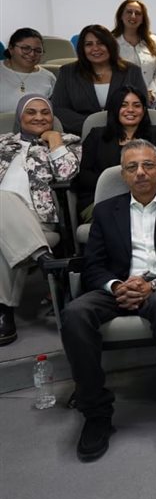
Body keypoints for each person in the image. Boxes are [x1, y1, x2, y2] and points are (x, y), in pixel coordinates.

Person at [60, 140, 156, 461]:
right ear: (123, 175)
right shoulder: (105, 210)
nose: (140, 172)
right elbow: (93, 265)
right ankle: (96, 412)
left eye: (148, 165)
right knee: (74, 313)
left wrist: (154, 285)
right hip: (117, 286)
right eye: (132, 167)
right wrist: (115, 286)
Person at [0, 94, 82, 345]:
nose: (39, 117)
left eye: (45, 112)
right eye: (31, 112)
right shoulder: (3, 142)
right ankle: (42, 257)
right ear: (20, 116)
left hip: (40, 222)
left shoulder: (69, 142)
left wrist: (55, 140)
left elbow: (67, 173)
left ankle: (4, 314)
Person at [77, 86, 156, 213]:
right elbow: (83, 176)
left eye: (137, 105)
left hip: (151, 197)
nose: (130, 110)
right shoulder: (96, 135)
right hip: (103, 198)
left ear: (144, 110)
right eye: (123, 105)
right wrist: (122, 184)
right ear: (115, 109)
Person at [51, 24, 148, 134]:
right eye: (89, 44)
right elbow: (59, 109)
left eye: (101, 43)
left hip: (125, 133)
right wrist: (93, 125)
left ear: (110, 45)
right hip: (82, 133)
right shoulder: (67, 72)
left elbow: (143, 106)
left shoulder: (132, 71)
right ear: (82, 49)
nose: (95, 48)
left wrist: (114, 126)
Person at [112, 0, 156, 102]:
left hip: (153, 99)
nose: (133, 16)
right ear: (121, 16)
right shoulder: (111, 42)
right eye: (129, 12)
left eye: (138, 13)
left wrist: (152, 92)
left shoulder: (154, 41)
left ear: (143, 19)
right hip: (121, 100)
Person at [1, 27, 56, 112]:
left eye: (38, 50)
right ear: (11, 48)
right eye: (26, 48)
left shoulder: (48, 77)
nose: (32, 54)